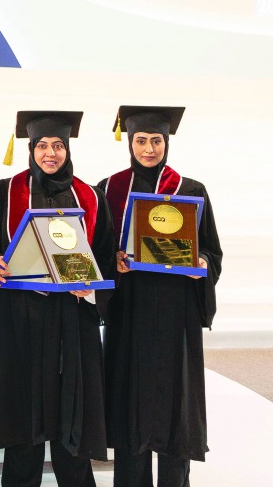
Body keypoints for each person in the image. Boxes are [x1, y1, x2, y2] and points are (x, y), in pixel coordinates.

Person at [0, 111, 115, 487]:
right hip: (21, 315)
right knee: (24, 411)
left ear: (67, 150)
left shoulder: (91, 196)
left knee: (73, 409)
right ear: (31, 149)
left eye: (58, 145)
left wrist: (92, 288)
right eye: (42, 146)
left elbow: (105, 256)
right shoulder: (5, 192)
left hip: (72, 315)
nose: (50, 153)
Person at [98, 106, 222, 487]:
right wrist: (113, 259)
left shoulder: (190, 190)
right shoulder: (109, 190)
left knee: (175, 409)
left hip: (174, 311)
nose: (149, 149)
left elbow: (212, 251)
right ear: (129, 142)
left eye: (156, 140)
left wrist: (201, 262)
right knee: (129, 405)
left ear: (166, 142)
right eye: (141, 140)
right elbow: (97, 248)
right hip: (130, 311)